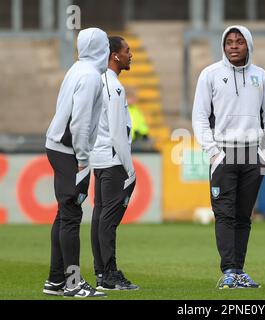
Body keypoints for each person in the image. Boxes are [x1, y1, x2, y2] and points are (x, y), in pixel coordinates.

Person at [192, 25, 265, 289]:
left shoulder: (260, 76)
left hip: (253, 155)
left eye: (239, 41)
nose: (234, 46)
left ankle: (239, 270)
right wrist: (214, 153)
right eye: (229, 42)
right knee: (224, 214)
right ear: (223, 46)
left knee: (243, 217)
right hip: (223, 154)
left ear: (248, 44)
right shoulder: (210, 74)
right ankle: (228, 270)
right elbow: (200, 117)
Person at [43, 27, 109, 298]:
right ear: (103, 48)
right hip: (70, 150)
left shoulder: (77, 68)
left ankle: (56, 280)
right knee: (71, 215)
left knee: (64, 214)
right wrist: (83, 158)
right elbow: (80, 122)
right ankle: (72, 282)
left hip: (57, 145)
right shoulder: (92, 77)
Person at [90, 36, 138, 291]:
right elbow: (119, 133)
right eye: (127, 51)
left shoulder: (98, 81)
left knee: (100, 216)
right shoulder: (114, 86)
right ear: (115, 56)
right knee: (108, 218)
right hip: (113, 160)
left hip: (99, 159)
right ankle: (108, 274)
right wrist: (130, 169)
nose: (131, 55)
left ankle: (102, 272)